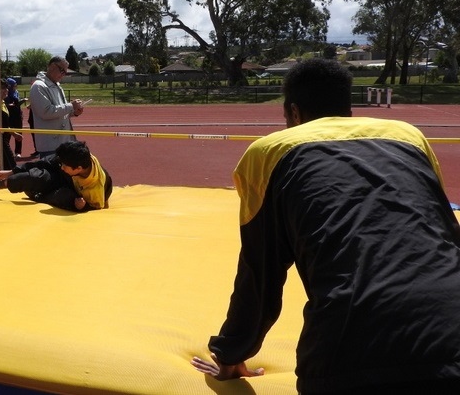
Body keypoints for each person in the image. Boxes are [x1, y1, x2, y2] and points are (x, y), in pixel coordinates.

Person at [191, 59, 460, 395]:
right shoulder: (409, 137)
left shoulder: (269, 152)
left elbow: (260, 272)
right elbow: (447, 235)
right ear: (346, 108)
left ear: (293, 112)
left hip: (346, 348)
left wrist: (231, 352)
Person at [0, 140, 112, 212]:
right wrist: (13, 171)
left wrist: (83, 207)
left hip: (71, 193)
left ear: (79, 169)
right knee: (30, 176)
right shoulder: (72, 158)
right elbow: (45, 162)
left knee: (63, 196)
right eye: (62, 164)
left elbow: (96, 209)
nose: (62, 166)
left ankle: (38, 194)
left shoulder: (95, 189)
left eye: (65, 166)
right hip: (62, 179)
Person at [29, 56, 84, 158]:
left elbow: (61, 111)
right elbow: (46, 112)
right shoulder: (39, 86)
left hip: (63, 142)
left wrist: (74, 112)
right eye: (62, 71)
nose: (63, 75)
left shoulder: (57, 85)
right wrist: (71, 105)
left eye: (65, 72)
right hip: (50, 144)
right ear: (52, 67)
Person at [4, 77, 26, 158]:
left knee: (19, 133)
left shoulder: (16, 92)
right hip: (9, 116)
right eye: (14, 85)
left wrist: (22, 101)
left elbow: (17, 103)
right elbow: (4, 104)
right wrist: (9, 105)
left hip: (17, 115)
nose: (15, 87)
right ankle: (6, 151)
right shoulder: (6, 94)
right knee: (8, 134)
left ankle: (18, 152)